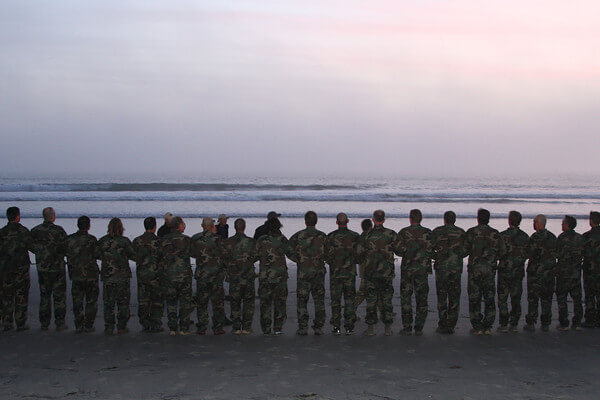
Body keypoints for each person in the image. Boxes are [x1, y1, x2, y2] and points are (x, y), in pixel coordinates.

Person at [463, 208, 506, 335]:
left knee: (474, 298)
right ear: (488, 219)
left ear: (478, 218)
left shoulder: (472, 232)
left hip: (475, 270)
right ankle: (487, 326)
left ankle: (477, 326)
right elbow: (503, 252)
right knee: (489, 298)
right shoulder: (495, 234)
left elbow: (464, 251)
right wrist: (493, 259)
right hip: (489, 270)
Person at [357, 209, 399, 336]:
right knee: (386, 300)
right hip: (386, 273)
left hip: (371, 273)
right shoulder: (391, 234)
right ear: (384, 220)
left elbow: (358, 254)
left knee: (371, 301)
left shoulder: (365, 235)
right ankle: (387, 329)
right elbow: (401, 250)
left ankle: (370, 329)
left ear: (374, 220)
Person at [289, 211, 328, 336]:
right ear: (316, 221)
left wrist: (298, 260)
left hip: (303, 272)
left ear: (305, 221)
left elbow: (288, 249)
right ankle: (318, 327)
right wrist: (321, 259)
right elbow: (329, 252)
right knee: (319, 300)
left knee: (302, 300)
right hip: (318, 271)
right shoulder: (322, 236)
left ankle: (303, 327)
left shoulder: (298, 236)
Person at [31, 207, 68, 331]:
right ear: (53, 216)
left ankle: (44, 323)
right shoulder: (58, 231)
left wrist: (42, 254)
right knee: (59, 296)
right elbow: (66, 247)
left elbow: (31, 246)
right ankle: (60, 322)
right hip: (57, 268)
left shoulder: (35, 231)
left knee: (45, 296)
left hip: (43, 268)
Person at [97, 218, 135, 335]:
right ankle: (121, 326)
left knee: (109, 303)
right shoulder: (124, 241)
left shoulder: (103, 241)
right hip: (122, 277)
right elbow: (133, 255)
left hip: (108, 276)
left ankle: (109, 327)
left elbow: (97, 255)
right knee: (123, 303)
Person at [397, 209, 432, 336]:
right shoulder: (428, 233)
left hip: (408, 269)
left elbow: (398, 251)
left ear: (410, 218)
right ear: (421, 219)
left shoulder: (404, 232)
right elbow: (431, 250)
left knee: (406, 298)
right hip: (422, 269)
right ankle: (419, 327)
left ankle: (407, 327)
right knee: (422, 298)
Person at [430, 211, 465, 334]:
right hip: (455, 268)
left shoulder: (437, 231)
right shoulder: (461, 232)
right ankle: (451, 325)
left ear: (444, 220)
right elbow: (466, 250)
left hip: (442, 268)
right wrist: (457, 256)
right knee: (454, 296)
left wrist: (437, 256)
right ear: (454, 220)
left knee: (442, 296)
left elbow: (429, 248)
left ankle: (443, 323)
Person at [0, 206, 34, 331]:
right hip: (21, 269)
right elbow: (32, 247)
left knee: (7, 296)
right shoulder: (23, 231)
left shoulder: (2, 232)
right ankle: (20, 323)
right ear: (18, 216)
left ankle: (7, 322)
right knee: (21, 295)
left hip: (5, 269)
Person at [191, 217, 226, 335]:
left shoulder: (196, 239)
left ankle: (202, 326)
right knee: (218, 303)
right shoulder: (218, 239)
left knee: (202, 302)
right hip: (216, 275)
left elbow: (193, 253)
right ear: (212, 226)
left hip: (202, 275)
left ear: (202, 226)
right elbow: (224, 254)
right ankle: (218, 327)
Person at [326, 213, 359, 335]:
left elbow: (327, 255)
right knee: (349, 300)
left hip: (336, 273)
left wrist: (333, 264)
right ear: (348, 221)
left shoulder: (331, 237)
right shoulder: (355, 236)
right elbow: (359, 254)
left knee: (336, 301)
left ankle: (336, 326)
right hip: (349, 273)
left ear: (336, 222)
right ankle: (349, 326)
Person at [223, 218, 258, 334]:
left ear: (234, 227)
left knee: (235, 301)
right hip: (247, 276)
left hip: (234, 276)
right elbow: (255, 256)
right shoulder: (251, 242)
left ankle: (237, 327)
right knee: (248, 302)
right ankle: (247, 327)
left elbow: (224, 257)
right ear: (244, 227)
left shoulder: (228, 242)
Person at [497, 211, 530, 333]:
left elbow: (498, 253)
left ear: (509, 221)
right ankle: (514, 323)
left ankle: (504, 323)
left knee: (503, 298)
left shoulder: (502, 236)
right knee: (516, 298)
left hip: (505, 270)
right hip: (518, 271)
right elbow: (527, 253)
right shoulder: (525, 236)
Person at [160, 216, 193, 335]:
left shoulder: (163, 240)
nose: (184, 225)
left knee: (171, 302)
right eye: (183, 224)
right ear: (179, 226)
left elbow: (159, 255)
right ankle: (184, 328)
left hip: (169, 275)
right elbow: (194, 253)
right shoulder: (187, 240)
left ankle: (173, 328)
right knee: (185, 302)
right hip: (183, 275)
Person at [66, 216, 100, 333]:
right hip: (90, 274)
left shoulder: (70, 239)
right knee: (91, 301)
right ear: (89, 226)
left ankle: (79, 324)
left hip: (76, 274)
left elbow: (65, 252)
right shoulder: (92, 240)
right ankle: (89, 324)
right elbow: (98, 254)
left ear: (78, 225)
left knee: (77, 301)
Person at [256, 217, 289, 335]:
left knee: (265, 303)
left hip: (265, 276)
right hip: (280, 276)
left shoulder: (261, 240)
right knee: (280, 303)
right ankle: (278, 328)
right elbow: (291, 253)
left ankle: (266, 328)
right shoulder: (282, 239)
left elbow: (255, 255)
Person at [524, 214, 557, 332]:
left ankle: (531, 322)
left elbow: (527, 253)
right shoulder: (552, 237)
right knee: (546, 298)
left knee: (533, 299)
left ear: (538, 223)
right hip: (548, 273)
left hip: (535, 273)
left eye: (534, 222)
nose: (533, 224)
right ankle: (545, 323)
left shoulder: (534, 237)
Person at [132, 217, 163, 333]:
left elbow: (132, 255)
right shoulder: (159, 242)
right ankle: (156, 323)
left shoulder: (137, 241)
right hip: (156, 275)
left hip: (142, 275)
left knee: (143, 301)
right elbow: (162, 257)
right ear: (155, 227)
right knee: (156, 301)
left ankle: (145, 323)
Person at [555, 215, 585, 331]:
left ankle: (564, 323)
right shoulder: (580, 238)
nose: (562, 225)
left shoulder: (562, 238)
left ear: (567, 225)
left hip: (563, 273)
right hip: (576, 273)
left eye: (563, 223)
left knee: (562, 298)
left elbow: (557, 254)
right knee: (577, 298)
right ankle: (577, 322)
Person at [582, 211, 600, 328]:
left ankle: (590, 319)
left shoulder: (586, 236)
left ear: (591, 221)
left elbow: (582, 252)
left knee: (589, 295)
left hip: (590, 269)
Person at [354, 219, 373, 315]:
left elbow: (357, 255)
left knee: (363, 291)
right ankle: (351, 310)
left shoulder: (361, 238)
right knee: (374, 290)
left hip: (364, 269)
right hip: (376, 268)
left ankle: (351, 309)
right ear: (371, 226)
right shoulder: (374, 236)